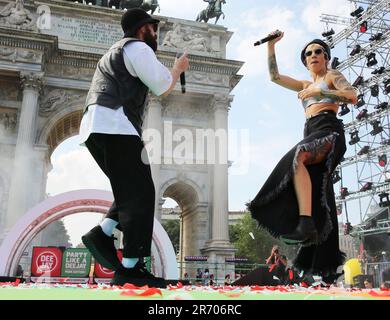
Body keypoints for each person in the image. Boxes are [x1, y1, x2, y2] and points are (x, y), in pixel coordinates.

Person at [80, 8, 189, 288]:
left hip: (95, 126)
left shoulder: (114, 51)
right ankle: (130, 268)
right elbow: (163, 85)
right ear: (143, 29)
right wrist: (177, 69)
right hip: (115, 122)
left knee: (132, 190)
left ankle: (103, 233)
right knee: (142, 192)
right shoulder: (138, 48)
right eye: (154, 29)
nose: (156, 34)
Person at [248, 30, 358, 284]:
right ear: (306, 61)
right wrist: (271, 47)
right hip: (311, 131)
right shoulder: (304, 85)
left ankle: (305, 223)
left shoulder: (331, 76)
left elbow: (352, 96)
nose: (313, 55)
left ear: (326, 56)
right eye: (309, 53)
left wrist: (321, 94)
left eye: (318, 51)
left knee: (298, 156)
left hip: (329, 130)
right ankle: (326, 266)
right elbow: (274, 77)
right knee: (324, 198)